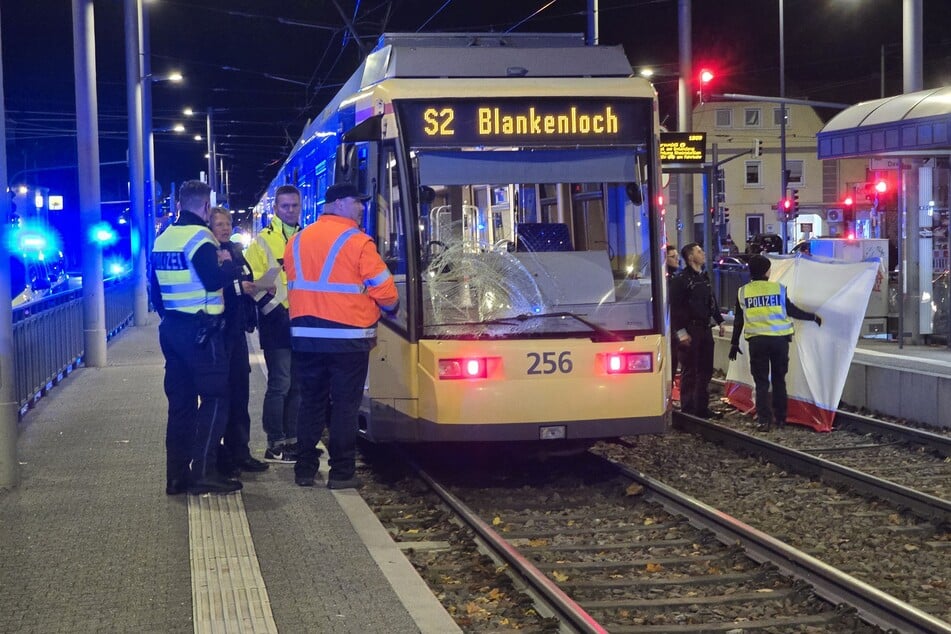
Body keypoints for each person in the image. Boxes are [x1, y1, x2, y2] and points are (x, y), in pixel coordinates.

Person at [285, 183, 399, 490]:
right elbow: (385, 291)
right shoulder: (359, 242)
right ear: (336, 204)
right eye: (355, 202)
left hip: (306, 336)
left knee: (310, 402)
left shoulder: (296, 240)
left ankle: (304, 469)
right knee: (345, 405)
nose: (361, 207)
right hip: (348, 337)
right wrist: (391, 307)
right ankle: (341, 472)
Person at [151, 180, 241, 495]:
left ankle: (176, 478)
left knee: (181, 406)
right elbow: (212, 279)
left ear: (179, 204)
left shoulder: (163, 239)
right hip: (202, 333)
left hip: (172, 329)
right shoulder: (200, 237)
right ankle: (204, 471)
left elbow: (155, 292)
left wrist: (172, 318)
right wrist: (230, 267)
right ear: (205, 207)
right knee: (217, 398)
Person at [728, 254, 822, 430]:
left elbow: (739, 320)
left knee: (761, 382)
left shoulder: (743, 292)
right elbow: (792, 310)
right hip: (779, 341)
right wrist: (812, 317)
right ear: (766, 271)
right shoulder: (778, 289)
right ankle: (781, 418)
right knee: (779, 380)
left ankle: (764, 419)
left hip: (757, 342)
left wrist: (734, 343)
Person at [209, 208, 270, 477]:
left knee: (240, 395)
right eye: (219, 223)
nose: (224, 228)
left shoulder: (235, 250)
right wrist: (238, 286)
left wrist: (257, 285)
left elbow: (244, 276)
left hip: (237, 332)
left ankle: (241, 452)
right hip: (218, 334)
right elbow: (212, 287)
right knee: (221, 396)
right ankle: (221, 457)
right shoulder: (206, 252)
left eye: (228, 223)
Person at [245, 185, 302, 463]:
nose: (290, 210)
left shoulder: (306, 237)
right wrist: (275, 309)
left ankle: (292, 440)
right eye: (285, 206)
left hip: (303, 320)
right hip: (277, 320)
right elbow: (254, 286)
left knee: (298, 384)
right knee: (281, 383)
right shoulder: (262, 241)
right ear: (276, 209)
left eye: (294, 205)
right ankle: (274, 442)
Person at [669, 242, 725, 418]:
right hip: (690, 329)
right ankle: (688, 407)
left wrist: (720, 321)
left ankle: (701, 407)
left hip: (705, 328)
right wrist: (681, 332)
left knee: (705, 369)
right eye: (699, 251)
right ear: (691, 257)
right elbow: (675, 308)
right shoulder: (681, 280)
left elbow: (711, 301)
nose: (703, 254)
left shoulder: (704, 278)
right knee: (690, 369)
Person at [664, 244, 680, 384]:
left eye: (677, 256)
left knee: (674, 360)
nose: (677, 259)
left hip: (675, 327)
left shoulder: (675, 278)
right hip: (669, 327)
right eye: (673, 257)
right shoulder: (665, 280)